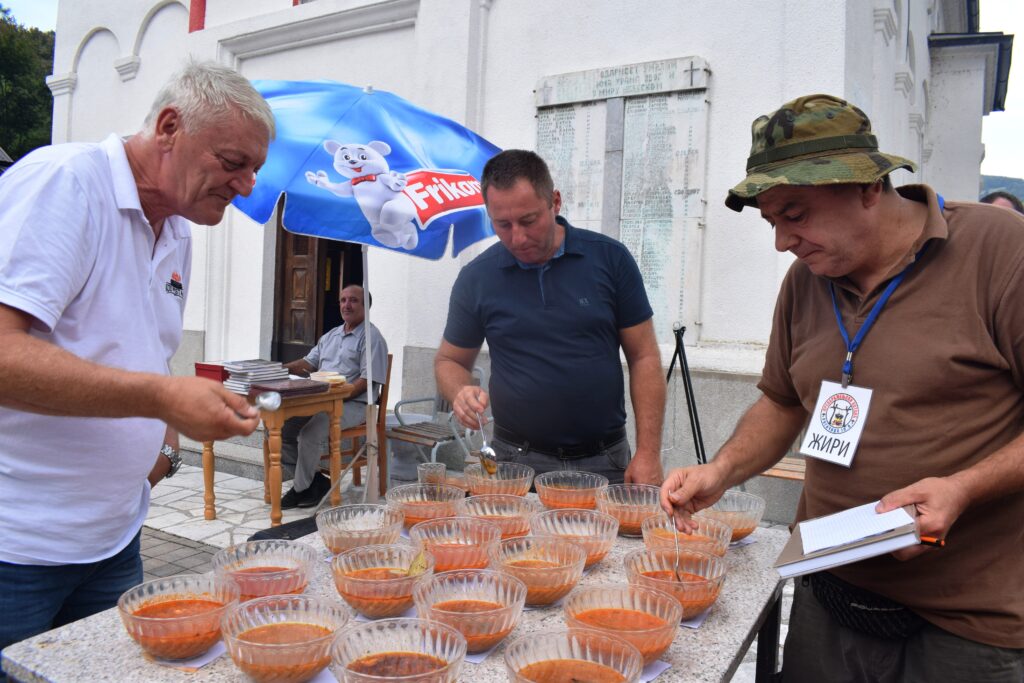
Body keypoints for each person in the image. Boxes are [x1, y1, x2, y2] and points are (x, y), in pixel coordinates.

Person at [661, 94, 1024, 681]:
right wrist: (719, 472)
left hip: (967, 620)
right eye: (771, 220)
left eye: (796, 213)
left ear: (866, 188)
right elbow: (782, 400)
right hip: (831, 591)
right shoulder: (807, 281)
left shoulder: (999, 249)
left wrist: (963, 488)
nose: (782, 241)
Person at [0, 61, 274, 661]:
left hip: (113, 541)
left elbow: (150, 354)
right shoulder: (67, 183)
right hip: (16, 549)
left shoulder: (176, 229)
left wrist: (164, 450)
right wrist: (158, 400)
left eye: (255, 168)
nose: (248, 184)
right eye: (234, 162)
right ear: (170, 126)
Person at [435, 150, 665, 485]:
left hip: (606, 459)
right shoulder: (477, 278)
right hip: (516, 461)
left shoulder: (610, 260)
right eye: (503, 224)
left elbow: (644, 356)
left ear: (554, 202)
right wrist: (459, 392)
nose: (518, 237)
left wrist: (648, 453)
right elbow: (448, 360)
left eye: (529, 221)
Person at [279, 284, 388, 508]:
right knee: (282, 428)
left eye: (353, 300)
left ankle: (300, 489)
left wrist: (336, 397)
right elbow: (307, 363)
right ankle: (315, 483)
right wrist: (280, 369)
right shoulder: (331, 335)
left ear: (366, 306)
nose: (346, 305)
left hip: (354, 406)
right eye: (343, 300)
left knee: (310, 432)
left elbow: (366, 382)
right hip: (321, 401)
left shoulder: (372, 338)